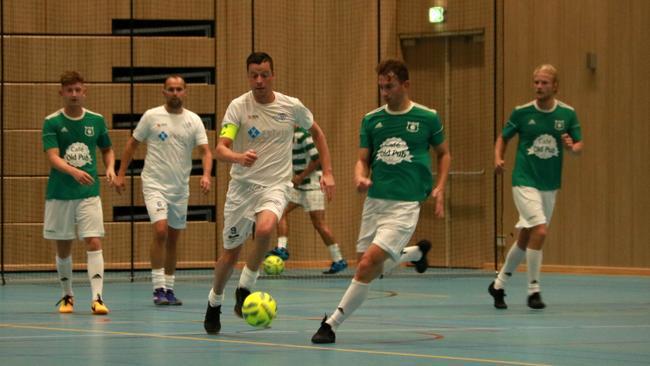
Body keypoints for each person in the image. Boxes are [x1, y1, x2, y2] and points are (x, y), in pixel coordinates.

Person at [311, 59, 451, 344]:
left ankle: (331, 323)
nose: (385, 92)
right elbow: (362, 160)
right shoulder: (372, 119)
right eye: (382, 87)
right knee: (367, 263)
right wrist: (360, 177)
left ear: (406, 85)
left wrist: (440, 188)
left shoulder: (428, 117)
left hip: (405, 203)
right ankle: (416, 254)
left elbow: (444, 154)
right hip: (375, 203)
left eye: (390, 86)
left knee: (367, 266)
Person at [203, 52, 335, 335]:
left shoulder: (291, 107)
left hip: (276, 185)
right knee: (230, 254)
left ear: (273, 75)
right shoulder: (238, 107)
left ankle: (245, 287)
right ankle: (214, 302)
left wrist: (329, 172)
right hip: (242, 188)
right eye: (254, 75)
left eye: (264, 74)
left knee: (265, 229)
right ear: (248, 76)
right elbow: (220, 149)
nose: (259, 80)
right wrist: (239, 157)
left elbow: (318, 134)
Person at [488, 64, 583, 310]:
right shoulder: (522, 113)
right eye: (536, 82)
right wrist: (498, 157)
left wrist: (572, 147)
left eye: (544, 83)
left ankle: (498, 285)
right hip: (524, 180)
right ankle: (533, 290)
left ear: (555, 86)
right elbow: (503, 137)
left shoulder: (567, 114)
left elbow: (578, 146)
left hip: (549, 185)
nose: (539, 87)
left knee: (526, 236)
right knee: (540, 231)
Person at [114, 75, 212, 306]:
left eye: (179, 89)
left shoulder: (194, 120)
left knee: (173, 239)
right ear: (164, 92)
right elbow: (132, 144)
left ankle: (169, 288)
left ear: (185, 92)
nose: (175, 93)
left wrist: (206, 175)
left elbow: (206, 151)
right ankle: (157, 287)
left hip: (180, 189)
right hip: (154, 184)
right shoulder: (151, 116)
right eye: (171, 89)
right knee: (160, 232)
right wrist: (120, 174)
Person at [42, 71, 115, 315]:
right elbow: (53, 157)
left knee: (93, 240)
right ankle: (67, 295)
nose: (74, 94)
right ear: (61, 93)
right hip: (60, 193)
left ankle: (97, 298)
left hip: (88, 192)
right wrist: (73, 171)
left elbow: (107, 149)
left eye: (78, 90)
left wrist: (111, 168)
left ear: (85, 92)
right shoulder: (52, 122)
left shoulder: (96, 120)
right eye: (69, 90)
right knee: (63, 247)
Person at [267, 126, 347, 274]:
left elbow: (318, 160)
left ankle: (339, 260)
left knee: (319, 224)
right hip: (298, 187)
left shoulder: (303, 136)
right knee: (280, 211)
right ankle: (282, 249)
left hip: (312, 186)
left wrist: (300, 176)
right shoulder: (286, 137)